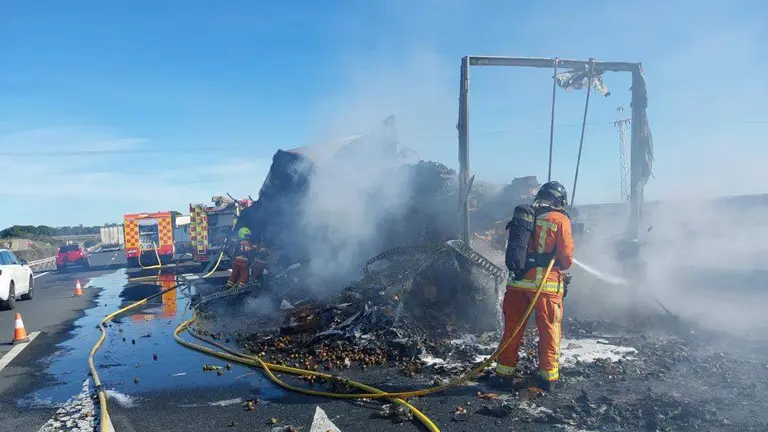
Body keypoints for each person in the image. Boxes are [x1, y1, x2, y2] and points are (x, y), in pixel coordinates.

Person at [495, 181, 575, 392]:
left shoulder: (525, 218)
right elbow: (566, 259)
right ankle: (548, 378)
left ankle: (504, 375)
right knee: (549, 331)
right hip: (545, 288)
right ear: (559, 201)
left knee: (511, 330)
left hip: (516, 285)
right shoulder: (559, 219)